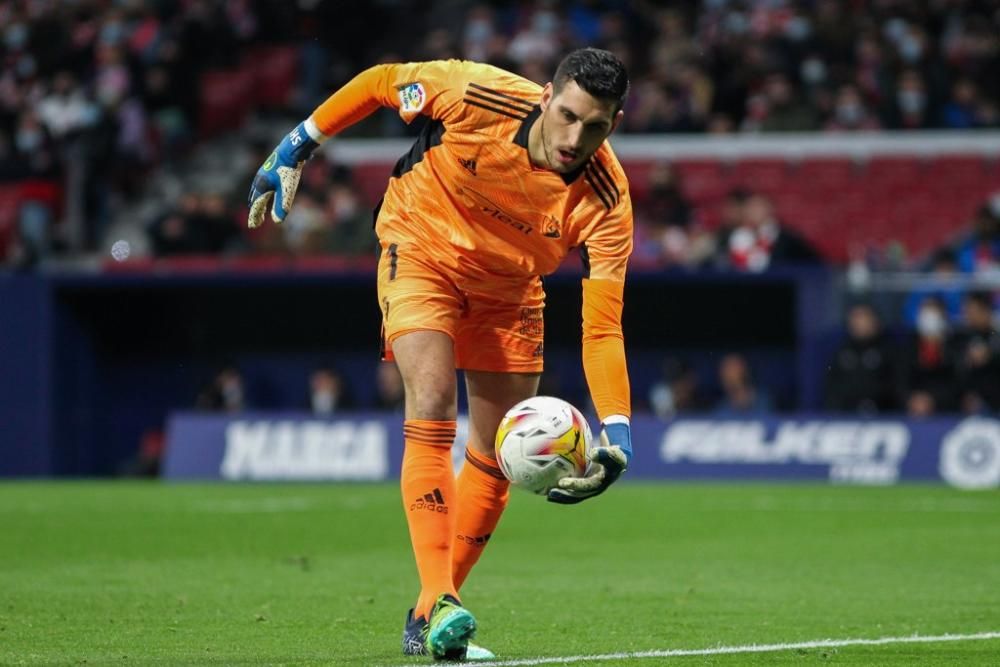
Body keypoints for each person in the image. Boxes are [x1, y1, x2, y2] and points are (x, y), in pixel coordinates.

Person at [246, 48, 634, 662]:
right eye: (567, 115)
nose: (575, 136)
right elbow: (379, 82)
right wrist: (297, 143)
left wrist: (618, 432)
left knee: (494, 454)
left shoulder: (608, 198)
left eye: (596, 126)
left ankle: (427, 616)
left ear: (613, 125)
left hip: (510, 293)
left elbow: (602, 330)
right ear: (544, 98)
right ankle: (442, 598)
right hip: (423, 247)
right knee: (430, 400)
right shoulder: (475, 93)